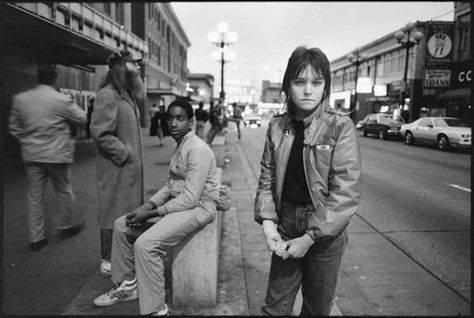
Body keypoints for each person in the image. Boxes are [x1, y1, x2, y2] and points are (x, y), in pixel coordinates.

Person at [254, 46, 361, 315]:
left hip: (325, 233)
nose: (308, 90)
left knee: (316, 309)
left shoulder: (339, 126)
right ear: (288, 85)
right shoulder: (277, 126)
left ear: (326, 87)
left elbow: (345, 190)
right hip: (287, 223)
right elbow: (267, 176)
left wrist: (310, 237)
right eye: (299, 82)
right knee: (274, 308)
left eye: (317, 82)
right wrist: (268, 224)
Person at [92, 99, 219, 316]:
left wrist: (151, 213)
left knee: (146, 245)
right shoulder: (180, 145)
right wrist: (147, 206)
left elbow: (190, 198)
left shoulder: (198, 149)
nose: (173, 123)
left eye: (180, 118)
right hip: (182, 204)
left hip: (199, 207)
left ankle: (157, 309)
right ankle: (127, 285)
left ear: (191, 122)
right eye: (170, 118)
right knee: (122, 225)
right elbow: (171, 186)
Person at [8, 64, 87, 251]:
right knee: (63, 190)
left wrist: (27, 141)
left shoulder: (20, 99)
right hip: (57, 155)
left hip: (32, 155)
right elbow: (82, 118)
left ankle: (36, 238)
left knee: (35, 196)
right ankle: (67, 225)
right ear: (55, 78)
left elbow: (14, 127)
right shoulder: (60, 100)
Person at [90, 48, 145, 277]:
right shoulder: (108, 94)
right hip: (116, 169)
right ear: (122, 67)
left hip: (128, 171)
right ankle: (108, 260)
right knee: (113, 213)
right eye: (134, 64)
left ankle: (122, 257)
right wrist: (125, 153)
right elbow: (100, 133)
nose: (139, 67)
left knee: (126, 213)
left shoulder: (126, 93)